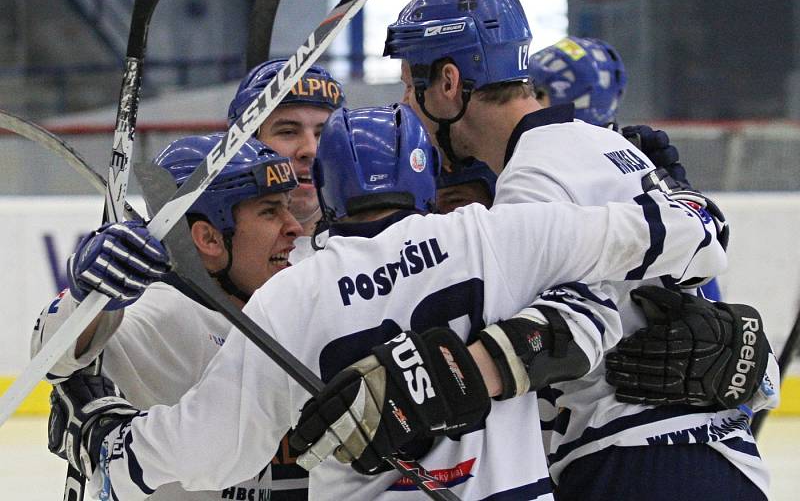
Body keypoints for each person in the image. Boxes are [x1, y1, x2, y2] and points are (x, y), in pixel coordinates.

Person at [46, 103, 726, 501]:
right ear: (427, 181)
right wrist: (665, 189)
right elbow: (693, 232)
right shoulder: (501, 237)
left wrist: (106, 441)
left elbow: (199, 452)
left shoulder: (293, 297)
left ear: (328, 193)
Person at [383, 0, 775, 500]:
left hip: (634, 465)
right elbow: (701, 251)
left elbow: (558, 331)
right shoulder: (605, 144)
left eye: (412, 86)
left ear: (449, 82)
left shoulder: (533, 176)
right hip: (721, 456)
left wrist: (411, 391)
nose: (407, 105)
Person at [33, 134, 307, 501]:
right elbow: (55, 355)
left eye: (287, 208)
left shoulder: (293, 305)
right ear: (208, 238)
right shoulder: (165, 313)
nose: (295, 228)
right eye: (270, 211)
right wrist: (87, 300)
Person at [528, 35, 723, 299]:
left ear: (577, 102)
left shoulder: (620, 173)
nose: (525, 104)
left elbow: (704, 283)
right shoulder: (536, 159)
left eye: (537, 93)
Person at [228, 59, 345, 259]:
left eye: (323, 133)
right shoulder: (212, 249)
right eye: (288, 132)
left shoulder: (370, 246)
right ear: (244, 143)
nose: (311, 150)